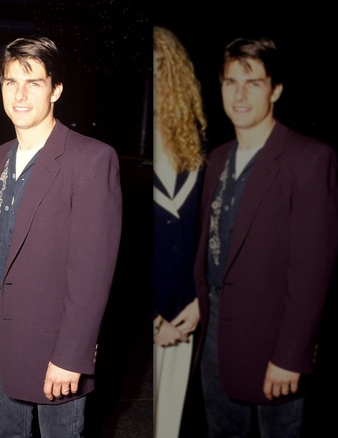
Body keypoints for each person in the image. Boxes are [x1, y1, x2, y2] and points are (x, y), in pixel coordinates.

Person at [0, 36, 122, 437]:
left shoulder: (91, 159)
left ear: (55, 88)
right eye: (10, 82)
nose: (19, 95)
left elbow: (92, 273)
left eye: (33, 82)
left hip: (55, 342)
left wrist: (73, 354)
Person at [194, 36, 338, 437]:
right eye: (230, 82)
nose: (239, 95)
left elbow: (311, 272)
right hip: (215, 337)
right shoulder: (218, 158)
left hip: (273, 342)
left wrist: (291, 355)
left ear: (275, 89)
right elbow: (215, 247)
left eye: (252, 83)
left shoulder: (308, 160)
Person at [152, 26, 206, 438]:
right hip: (152, 323)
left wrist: (200, 303)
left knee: (170, 425)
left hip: (186, 316)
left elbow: (208, 241)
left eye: (161, 69)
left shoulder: (196, 153)